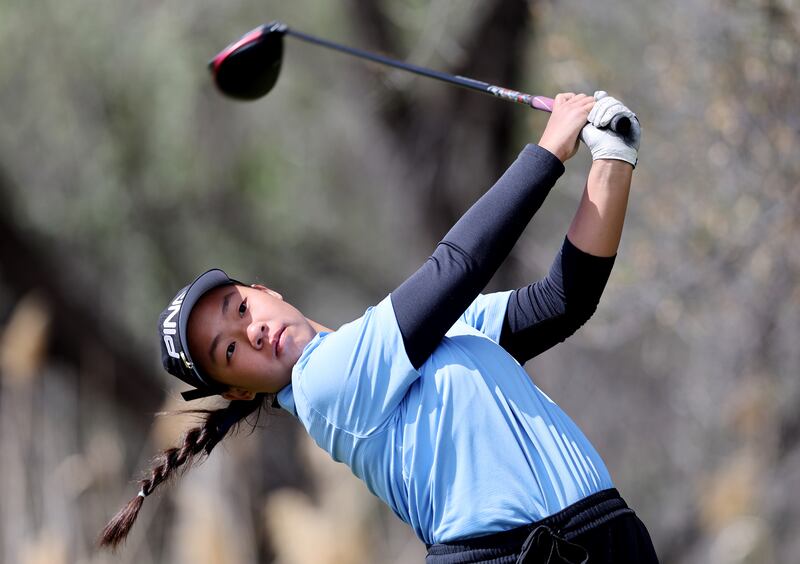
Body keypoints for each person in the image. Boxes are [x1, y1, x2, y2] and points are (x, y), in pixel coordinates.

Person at [100, 91, 658, 563]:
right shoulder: (324, 386)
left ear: (265, 291)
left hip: (603, 534)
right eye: (227, 352)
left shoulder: (411, 340)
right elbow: (457, 268)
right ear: (241, 389)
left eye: (239, 309)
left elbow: (561, 302)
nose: (250, 333)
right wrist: (550, 148)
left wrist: (611, 156)